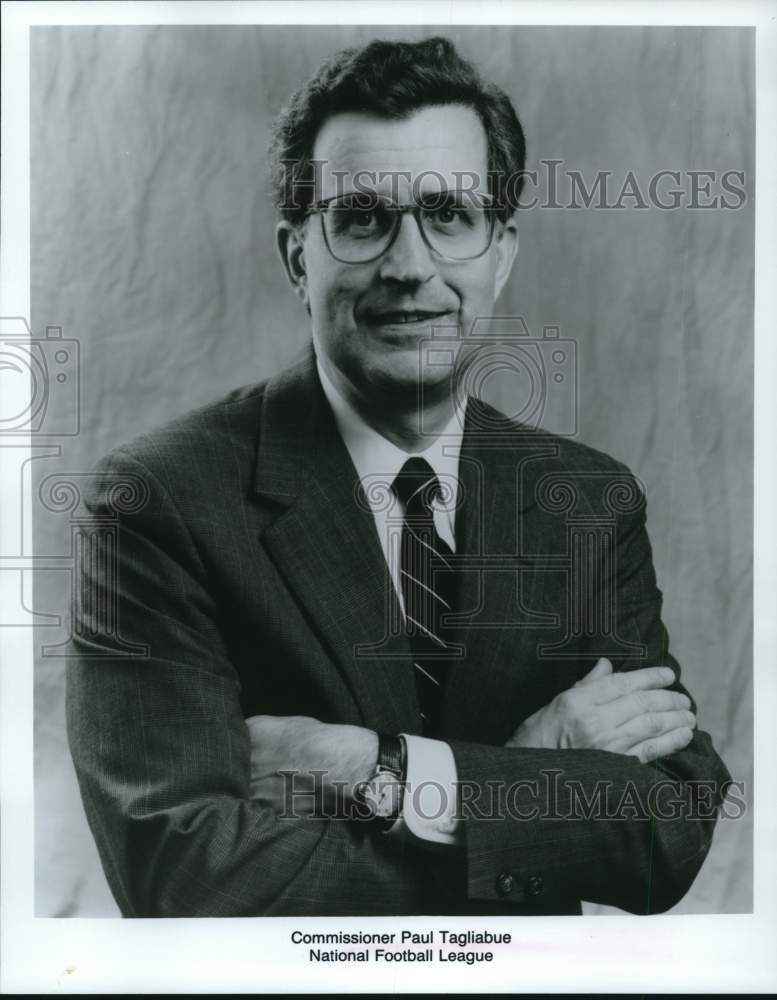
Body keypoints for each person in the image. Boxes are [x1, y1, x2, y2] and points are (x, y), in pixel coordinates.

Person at [66, 36, 731, 918]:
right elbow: (186, 875)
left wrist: (376, 772)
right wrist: (531, 766)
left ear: (500, 251)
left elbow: (669, 829)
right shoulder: (158, 501)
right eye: (363, 217)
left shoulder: (586, 500)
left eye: (449, 214)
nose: (410, 266)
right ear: (299, 255)